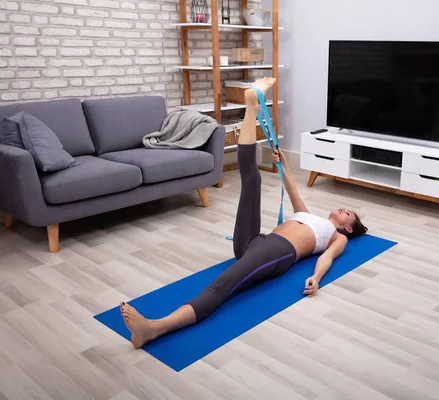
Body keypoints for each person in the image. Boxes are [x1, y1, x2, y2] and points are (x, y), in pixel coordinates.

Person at [120, 77, 368, 348]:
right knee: (252, 178)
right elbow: (291, 185)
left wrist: (316, 278)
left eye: (349, 215)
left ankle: (154, 329)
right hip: (255, 242)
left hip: (277, 253)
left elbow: (328, 259)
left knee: (221, 287)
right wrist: (283, 162)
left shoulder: (336, 236)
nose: (345, 210)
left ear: (347, 228)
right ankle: (251, 106)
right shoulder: (309, 216)